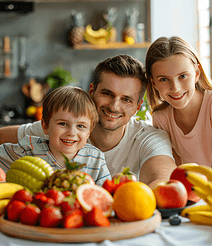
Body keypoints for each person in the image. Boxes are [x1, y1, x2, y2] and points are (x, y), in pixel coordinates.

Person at [0, 55, 176, 188]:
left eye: (126, 100)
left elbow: (162, 182)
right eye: (107, 94)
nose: (114, 106)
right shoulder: (59, 128)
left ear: (137, 107)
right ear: (91, 91)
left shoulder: (148, 138)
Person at [145, 36, 212, 179]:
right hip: (195, 196)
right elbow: (176, 175)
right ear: (153, 83)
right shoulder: (161, 118)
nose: (175, 88)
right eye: (164, 79)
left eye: (182, 76)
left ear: (196, 74)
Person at [0, 86, 111, 186]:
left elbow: (106, 198)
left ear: (89, 131)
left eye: (81, 126)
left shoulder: (96, 158)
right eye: (62, 124)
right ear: (45, 125)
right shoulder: (28, 148)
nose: (71, 132)